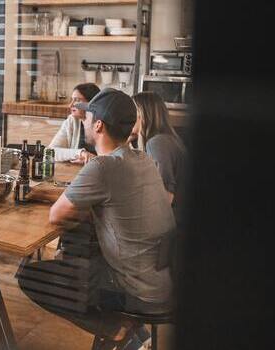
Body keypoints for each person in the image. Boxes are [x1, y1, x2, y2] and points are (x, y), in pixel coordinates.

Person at [48, 88, 176, 349]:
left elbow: (56, 215)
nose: (82, 120)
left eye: (87, 116)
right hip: (162, 281)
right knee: (83, 251)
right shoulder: (142, 158)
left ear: (98, 125)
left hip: (136, 291)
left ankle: (115, 329)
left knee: (31, 276)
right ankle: (133, 338)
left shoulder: (102, 166)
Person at [133, 91, 186, 213]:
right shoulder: (165, 138)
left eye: (131, 112)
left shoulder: (158, 143)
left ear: (142, 114)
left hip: (175, 220)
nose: (127, 117)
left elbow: (166, 197)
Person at [48, 83, 100, 163]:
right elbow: (50, 152)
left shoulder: (103, 124)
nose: (70, 105)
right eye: (72, 99)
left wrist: (92, 160)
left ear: (91, 103)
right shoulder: (72, 121)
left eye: (77, 100)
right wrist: (80, 153)